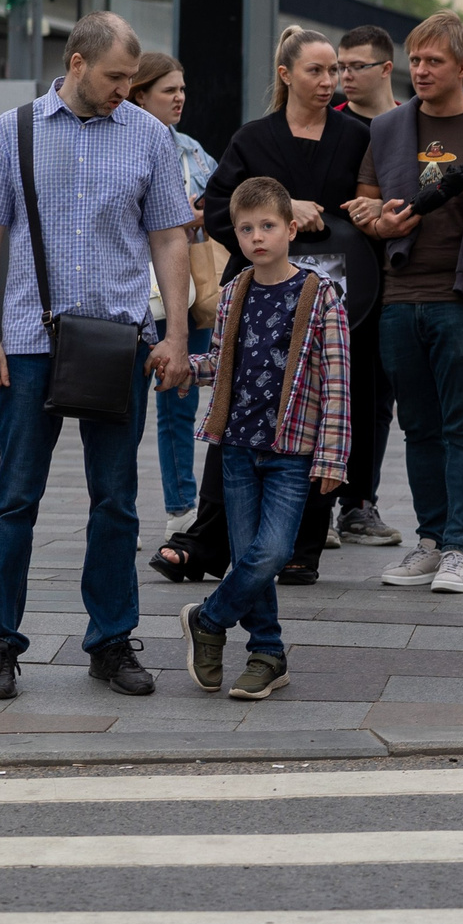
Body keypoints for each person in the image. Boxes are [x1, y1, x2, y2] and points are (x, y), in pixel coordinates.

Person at [0, 11, 193, 701]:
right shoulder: (14, 130)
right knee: (14, 499)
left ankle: (111, 641)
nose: (129, 86)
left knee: (116, 502)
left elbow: (172, 240)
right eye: (117, 75)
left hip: (121, 342)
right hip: (31, 345)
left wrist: (175, 336)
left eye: (133, 76)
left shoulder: (151, 136)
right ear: (76, 62)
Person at [180, 28, 375, 587]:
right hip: (258, 301)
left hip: (333, 303)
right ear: (286, 75)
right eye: (316, 71)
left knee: (314, 412)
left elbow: (372, 204)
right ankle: (207, 538)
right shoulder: (253, 139)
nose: (329, 81)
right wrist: (284, 211)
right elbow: (218, 208)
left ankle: (303, 545)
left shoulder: (356, 136)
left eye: (334, 70)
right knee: (237, 412)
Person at [345, 11, 463, 594]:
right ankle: (432, 540)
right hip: (400, 294)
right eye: (415, 59)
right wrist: (374, 218)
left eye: (434, 61)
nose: (421, 70)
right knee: (419, 427)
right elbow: (365, 200)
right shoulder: (389, 127)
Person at [177, 176, 351, 701]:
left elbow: (338, 381)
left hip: (293, 452)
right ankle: (267, 652)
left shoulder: (320, 295)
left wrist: (333, 457)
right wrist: (182, 368)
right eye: (246, 228)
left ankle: (208, 619)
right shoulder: (233, 294)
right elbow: (221, 365)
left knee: (273, 552)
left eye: (268, 226)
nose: (257, 237)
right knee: (247, 553)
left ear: (291, 229)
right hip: (236, 445)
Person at [316, 23, 400, 548]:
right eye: (337, 67)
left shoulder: (409, 125)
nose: (343, 76)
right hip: (337, 282)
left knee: (376, 395)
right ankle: (317, 502)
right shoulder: (331, 126)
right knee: (326, 389)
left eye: (354, 66)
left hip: (394, 280)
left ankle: (360, 503)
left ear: (386, 69)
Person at [130, 52, 219, 540]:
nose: (180, 97)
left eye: (182, 88)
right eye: (169, 90)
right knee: (123, 404)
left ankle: (182, 506)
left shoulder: (192, 151)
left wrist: (202, 214)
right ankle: (122, 501)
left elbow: (226, 200)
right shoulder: (119, 143)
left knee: (180, 401)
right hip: (132, 292)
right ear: (140, 94)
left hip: (185, 289)